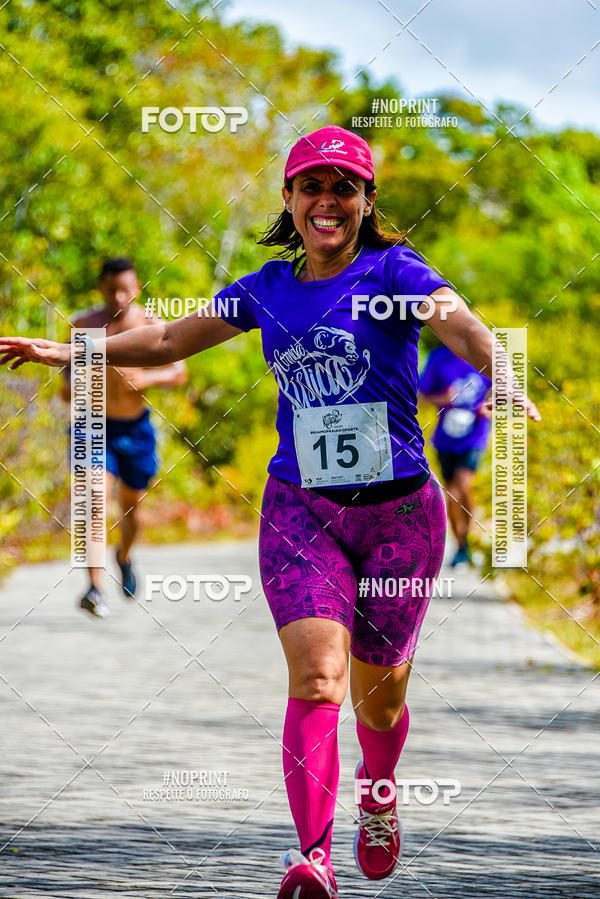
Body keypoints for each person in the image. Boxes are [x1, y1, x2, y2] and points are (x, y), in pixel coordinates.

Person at [0, 126, 540, 898]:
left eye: (344, 187)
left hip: (399, 517)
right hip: (301, 511)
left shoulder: (396, 271)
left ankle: (379, 791)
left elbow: (456, 321)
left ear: (365, 201)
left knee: (377, 693)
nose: (328, 200)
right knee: (319, 679)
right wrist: (72, 352)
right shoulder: (264, 288)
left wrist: (502, 369)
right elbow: (165, 339)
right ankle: (313, 858)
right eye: (312, 186)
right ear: (288, 199)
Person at [60, 257, 187, 617]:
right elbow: (66, 386)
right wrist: (77, 383)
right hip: (92, 425)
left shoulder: (149, 323)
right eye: (111, 289)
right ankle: (94, 587)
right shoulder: (84, 325)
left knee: (133, 509)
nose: (118, 297)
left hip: (135, 428)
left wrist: (149, 379)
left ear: (137, 289)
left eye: (125, 290)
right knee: (93, 499)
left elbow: (179, 372)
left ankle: (124, 555)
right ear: (100, 288)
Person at [419, 342, 491, 566]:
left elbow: (499, 391)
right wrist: (444, 399)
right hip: (445, 438)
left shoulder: (484, 352)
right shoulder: (438, 359)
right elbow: (420, 396)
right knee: (451, 493)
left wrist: (487, 406)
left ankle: (465, 541)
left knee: (462, 486)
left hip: (474, 434)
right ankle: (462, 545)